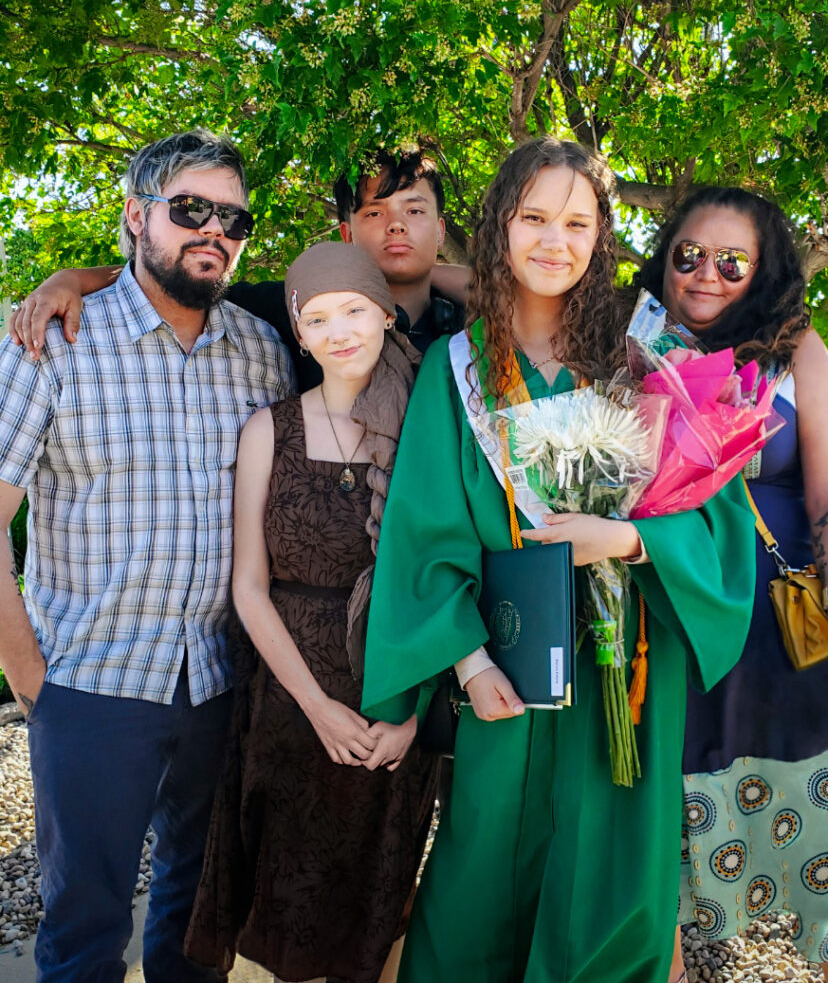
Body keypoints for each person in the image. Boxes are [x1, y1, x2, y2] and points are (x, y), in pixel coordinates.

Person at [361, 137, 757, 983]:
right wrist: (465, 665)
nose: (554, 240)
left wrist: (627, 538)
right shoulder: (456, 370)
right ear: (500, 227)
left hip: (627, 680)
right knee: (476, 895)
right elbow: (425, 536)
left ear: (601, 236)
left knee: (611, 896)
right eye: (534, 217)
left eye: (578, 222)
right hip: (510, 674)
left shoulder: (644, 360)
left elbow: (719, 520)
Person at [0, 129, 294, 982]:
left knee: (195, 926)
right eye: (191, 209)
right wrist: (31, 680)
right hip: (90, 687)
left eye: (233, 219)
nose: (214, 231)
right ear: (136, 215)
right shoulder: (51, 343)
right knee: (84, 935)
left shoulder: (262, 352)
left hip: (217, 683)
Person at [184, 241, 438, 983]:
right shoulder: (270, 430)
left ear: (388, 315)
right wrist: (319, 709)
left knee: (381, 901)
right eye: (318, 318)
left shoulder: (427, 430)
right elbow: (249, 588)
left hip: (393, 699)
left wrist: (414, 712)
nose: (339, 331)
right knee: (283, 904)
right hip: (289, 710)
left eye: (355, 309)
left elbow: (448, 580)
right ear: (298, 334)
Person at [635, 187, 828, 983]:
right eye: (689, 255)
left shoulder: (797, 351)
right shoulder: (631, 341)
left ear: (765, 269)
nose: (706, 274)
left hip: (781, 643)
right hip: (671, 635)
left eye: (732, 261)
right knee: (661, 837)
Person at [9, 149, 466, 388]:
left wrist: (429, 278)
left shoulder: (472, 320)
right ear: (344, 234)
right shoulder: (289, 307)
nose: (396, 227)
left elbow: (520, 287)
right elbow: (180, 275)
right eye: (374, 212)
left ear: (442, 229)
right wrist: (70, 279)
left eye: (415, 211)